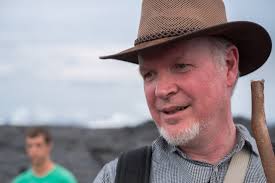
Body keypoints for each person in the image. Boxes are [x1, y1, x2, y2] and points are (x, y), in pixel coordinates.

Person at [94, 0, 272, 182]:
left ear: (229, 66)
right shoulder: (115, 178)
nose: (161, 90)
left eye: (181, 66)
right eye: (149, 74)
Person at [12, 127, 78, 183]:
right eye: (30, 146)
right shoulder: (20, 181)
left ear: (49, 146)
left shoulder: (65, 180)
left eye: (38, 145)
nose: (33, 150)